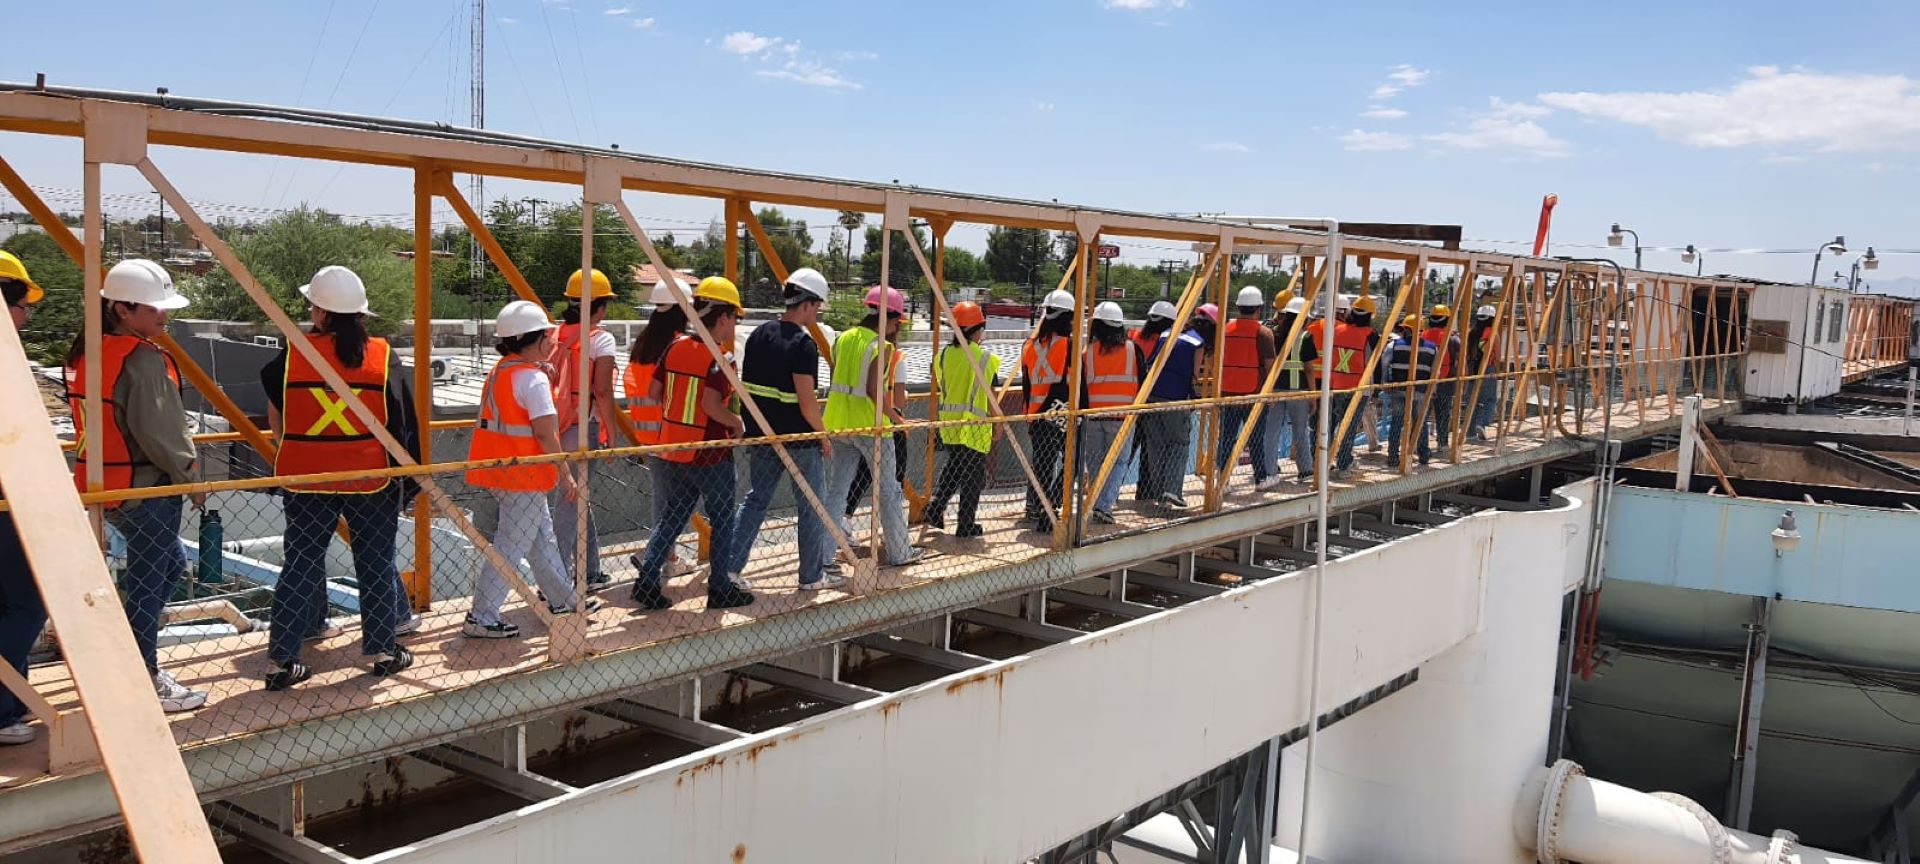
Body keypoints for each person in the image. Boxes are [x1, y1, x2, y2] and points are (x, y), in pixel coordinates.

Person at [258, 266, 416, 689]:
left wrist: (288, 441)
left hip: (307, 477)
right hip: (370, 478)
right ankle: (383, 649)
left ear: (322, 313)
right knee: (376, 562)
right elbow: (404, 423)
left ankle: (281, 660)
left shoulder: (293, 354)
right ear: (361, 315)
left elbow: (276, 397)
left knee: (301, 562)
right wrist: (410, 481)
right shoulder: (383, 356)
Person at [64, 259, 206, 712]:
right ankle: (141, 674)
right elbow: (162, 431)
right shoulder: (142, 359)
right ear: (122, 309)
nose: (164, 316)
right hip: (145, 487)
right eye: (154, 309)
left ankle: (128, 657)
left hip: (103, 479)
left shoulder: (89, 349)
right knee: (152, 578)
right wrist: (191, 479)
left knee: (166, 567)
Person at [463, 301, 597, 638]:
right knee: (512, 545)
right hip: (523, 474)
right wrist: (566, 475)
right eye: (548, 336)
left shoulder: (501, 371)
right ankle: (481, 616)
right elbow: (545, 434)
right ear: (534, 340)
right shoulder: (533, 380)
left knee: (540, 539)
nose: (553, 342)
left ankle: (563, 600)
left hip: (503, 471)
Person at [632, 277, 756, 610]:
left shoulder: (674, 347)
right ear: (724, 316)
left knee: (671, 518)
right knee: (722, 520)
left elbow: (655, 393)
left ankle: (646, 581)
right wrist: (737, 422)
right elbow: (712, 406)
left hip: (674, 449)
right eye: (735, 318)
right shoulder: (721, 359)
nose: (735, 325)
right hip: (709, 453)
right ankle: (719, 589)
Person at [730, 268, 838, 590]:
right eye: (817, 306)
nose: (817, 313)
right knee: (810, 507)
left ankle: (730, 569)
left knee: (755, 500)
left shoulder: (758, 335)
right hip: (798, 441)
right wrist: (823, 435)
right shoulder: (804, 346)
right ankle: (811, 577)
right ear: (807, 303)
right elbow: (806, 402)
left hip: (763, 435)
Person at [821, 286, 923, 567]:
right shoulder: (881, 346)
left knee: (837, 491)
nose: (895, 328)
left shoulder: (842, 339)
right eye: (895, 322)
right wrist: (897, 418)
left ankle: (823, 557)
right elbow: (872, 390)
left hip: (839, 425)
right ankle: (900, 552)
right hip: (871, 428)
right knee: (888, 491)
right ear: (887, 318)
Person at [0, 253, 47, 743]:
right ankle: (3, 708)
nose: (24, 315)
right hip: (7, 501)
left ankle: (14, 699)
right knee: (29, 605)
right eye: (17, 303)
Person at [549, 268, 619, 591]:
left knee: (577, 498)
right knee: (568, 504)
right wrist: (612, 435)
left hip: (552, 426)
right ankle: (560, 580)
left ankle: (590, 571)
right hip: (581, 428)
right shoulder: (600, 339)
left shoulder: (552, 335)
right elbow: (603, 392)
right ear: (600, 306)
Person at [623, 283, 696, 581]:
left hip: (648, 437)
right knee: (679, 503)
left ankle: (668, 558)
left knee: (663, 501)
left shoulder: (642, 344)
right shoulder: (677, 346)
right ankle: (655, 555)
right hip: (674, 437)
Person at [926, 301, 1000, 538]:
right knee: (973, 477)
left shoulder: (944, 355)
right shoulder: (984, 358)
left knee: (955, 467)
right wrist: (999, 423)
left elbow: (938, 379)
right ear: (975, 330)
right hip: (975, 426)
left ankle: (936, 507)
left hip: (949, 424)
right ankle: (966, 523)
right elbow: (991, 396)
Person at [1138, 304, 1214, 508]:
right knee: (1178, 444)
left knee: (1156, 445)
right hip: (1176, 400)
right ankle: (1171, 490)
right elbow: (1195, 374)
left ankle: (1158, 491)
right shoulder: (1198, 342)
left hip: (1152, 397)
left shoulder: (1165, 334)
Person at [1080, 302, 1144, 524]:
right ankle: (1104, 505)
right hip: (1122, 418)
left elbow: (1081, 386)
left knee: (1096, 463)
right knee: (1118, 463)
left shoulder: (1087, 353)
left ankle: (1096, 503)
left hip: (1094, 417)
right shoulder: (1133, 349)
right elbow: (1143, 381)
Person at [1019, 289, 1076, 533]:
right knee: (1071, 460)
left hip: (1036, 412)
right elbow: (1073, 382)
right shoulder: (1069, 345)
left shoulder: (1029, 345)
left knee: (1041, 462)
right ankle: (1050, 504)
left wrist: (1030, 415)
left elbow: (1026, 385)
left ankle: (1036, 505)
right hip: (1060, 410)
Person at [1307, 294, 1378, 478]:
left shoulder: (1337, 330)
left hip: (1337, 385)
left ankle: (1325, 459)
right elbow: (1374, 363)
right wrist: (1376, 388)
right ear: (1369, 316)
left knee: (1333, 424)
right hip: (1358, 388)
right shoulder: (1370, 335)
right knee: (1349, 426)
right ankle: (1344, 463)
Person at [1216, 286, 1276, 487]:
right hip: (1254, 394)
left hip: (1228, 392)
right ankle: (1260, 478)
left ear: (1238, 307)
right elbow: (1270, 366)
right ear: (1259, 308)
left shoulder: (1225, 330)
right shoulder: (1264, 333)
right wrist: (1269, 394)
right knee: (1256, 438)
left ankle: (1222, 480)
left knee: (1226, 439)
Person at [1266, 296, 1315, 482]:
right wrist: (1313, 396)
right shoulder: (1305, 337)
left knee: (1271, 432)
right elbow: (1309, 369)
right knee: (1301, 431)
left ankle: (1269, 471)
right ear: (1305, 318)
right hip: (1298, 391)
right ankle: (1305, 471)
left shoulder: (1274, 335)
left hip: (1276, 390)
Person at [1381, 314, 1438, 467]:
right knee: (1420, 423)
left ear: (1406, 329)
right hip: (1420, 392)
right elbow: (1435, 371)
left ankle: (1393, 456)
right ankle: (1423, 454)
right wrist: (1432, 390)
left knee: (1397, 422)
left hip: (1398, 390)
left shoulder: (1394, 345)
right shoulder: (1432, 349)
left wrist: (1385, 383)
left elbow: (1384, 363)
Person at [1419, 305, 1464, 452]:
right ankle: (1442, 444)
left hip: (1424, 382)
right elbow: (1459, 360)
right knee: (1443, 414)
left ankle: (1419, 445)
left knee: (1422, 415)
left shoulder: (1423, 335)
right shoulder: (1452, 338)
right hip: (1445, 382)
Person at [1465, 304, 1502, 441]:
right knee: (1490, 400)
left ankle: (1470, 434)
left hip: (1472, 370)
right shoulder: (1493, 334)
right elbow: (1497, 357)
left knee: (1472, 403)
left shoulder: (1472, 333)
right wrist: (1497, 372)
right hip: (1488, 370)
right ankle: (1481, 423)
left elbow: (1467, 355)